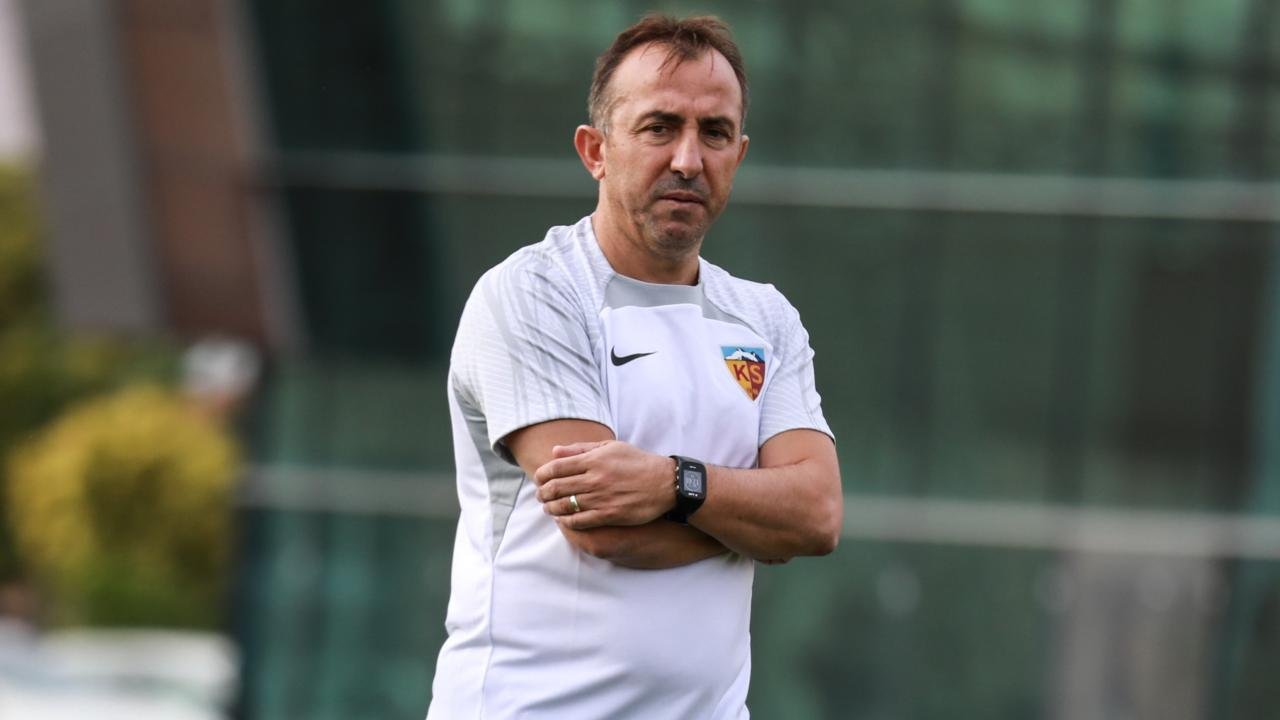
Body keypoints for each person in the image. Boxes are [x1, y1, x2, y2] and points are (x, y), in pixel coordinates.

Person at [426, 14, 842, 719]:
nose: (688, 159)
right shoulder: (533, 295)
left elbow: (818, 514)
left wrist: (670, 483)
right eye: (659, 127)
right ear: (596, 150)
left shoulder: (765, 318)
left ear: (739, 155)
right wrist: (755, 525)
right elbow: (603, 528)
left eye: (715, 133)